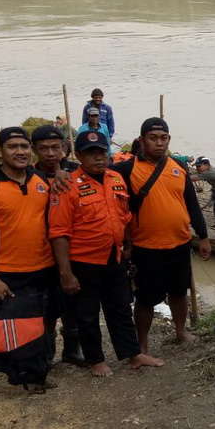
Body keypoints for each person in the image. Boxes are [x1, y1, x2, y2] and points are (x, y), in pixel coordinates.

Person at [49, 131, 164, 377]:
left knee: (120, 308)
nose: (98, 158)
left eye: (102, 152)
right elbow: (59, 232)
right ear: (79, 156)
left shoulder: (116, 179)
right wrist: (65, 272)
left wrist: (129, 245)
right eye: (91, 153)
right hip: (83, 261)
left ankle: (133, 354)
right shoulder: (66, 185)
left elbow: (125, 216)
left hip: (115, 257)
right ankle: (95, 360)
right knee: (87, 314)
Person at [0, 127, 56, 401]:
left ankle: (32, 376)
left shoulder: (41, 180)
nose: (20, 152)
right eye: (13, 146)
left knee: (40, 327)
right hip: (8, 272)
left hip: (44, 267)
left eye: (25, 146)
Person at [112, 118, 211, 352]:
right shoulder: (124, 170)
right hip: (145, 247)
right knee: (145, 298)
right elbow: (97, 177)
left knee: (179, 292)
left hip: (179, 243)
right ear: (142, 140)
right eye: (153, 138)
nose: (159, 143)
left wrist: (203, 236)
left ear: (168, 140)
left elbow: (192, 204)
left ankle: (181, 331)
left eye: (163, 138)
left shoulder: (178, 167)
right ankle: (142, 344)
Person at [31, 125, 84, 366]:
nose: (51, 153)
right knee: (47, 307)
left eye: (56, 147)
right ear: (34, 150)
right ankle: (47, 352)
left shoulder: (76, 172)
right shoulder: (28, 176)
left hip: (73, 250)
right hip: (40, 252)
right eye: (44, 148)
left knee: (73, 304)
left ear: (64, 148)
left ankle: (72, 351)